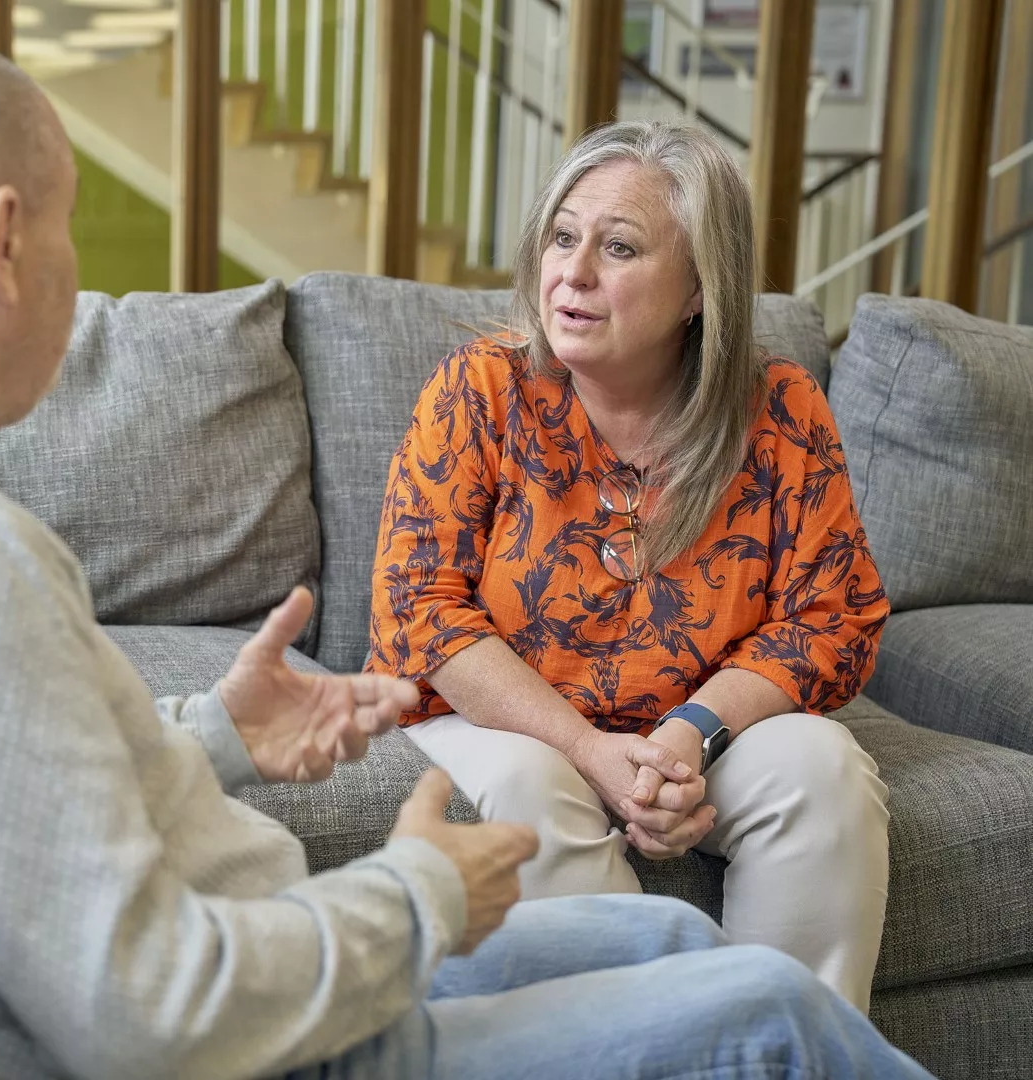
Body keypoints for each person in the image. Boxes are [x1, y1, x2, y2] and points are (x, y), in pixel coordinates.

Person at [0, 29, 929, 1079]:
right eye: (75, 226)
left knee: (660, 931)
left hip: (278, 969)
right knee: (769, 1012)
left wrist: (213, 733)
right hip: (305, 1038)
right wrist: (419, 890)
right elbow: (149, 1012)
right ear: (4, 241)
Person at [367, 119, 892, 1012]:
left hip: (690, 732)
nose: (571, 273)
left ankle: (787, 1055)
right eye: (563, 238)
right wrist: (585, 748)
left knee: (823, 770)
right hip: (509, 727)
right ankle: (681, 1050)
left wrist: (687, 733)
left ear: (698, 289)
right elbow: (420, 613)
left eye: (618, 248)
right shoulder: (481, 391)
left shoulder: (781, 412)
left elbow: (831, 620)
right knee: (539, 786)